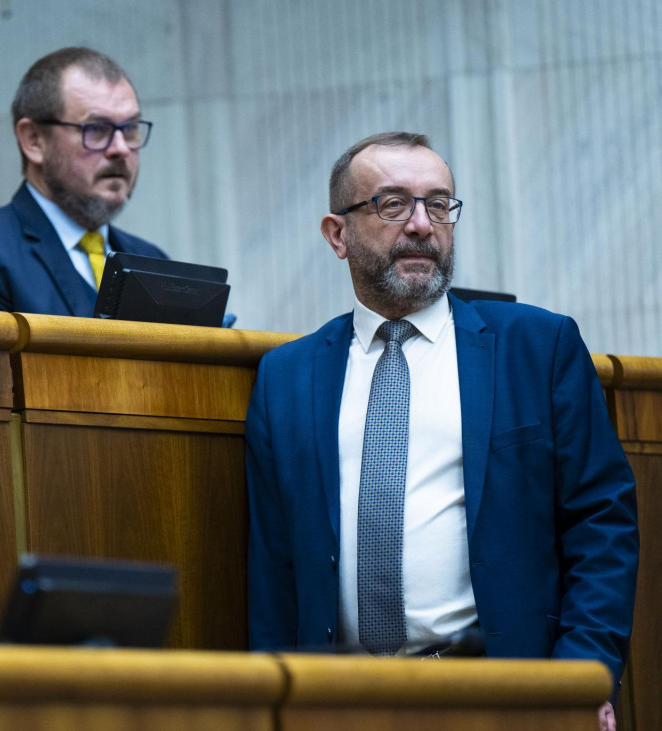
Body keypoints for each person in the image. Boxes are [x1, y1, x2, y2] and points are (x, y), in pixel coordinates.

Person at [245, 132, 638, 731]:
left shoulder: (537, 347)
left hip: (502, 695)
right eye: (393, 204)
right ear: (337, 234)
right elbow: (273, 566)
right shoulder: (287, 376)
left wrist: (582, 676)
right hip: (337, 702)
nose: (423, 225)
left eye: (439, 204)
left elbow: (601, 522)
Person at [0, 47, 167, 315]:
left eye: (129, 128)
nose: (120, 148)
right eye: (95, 129)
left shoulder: (152, 261)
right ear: (34, 140)